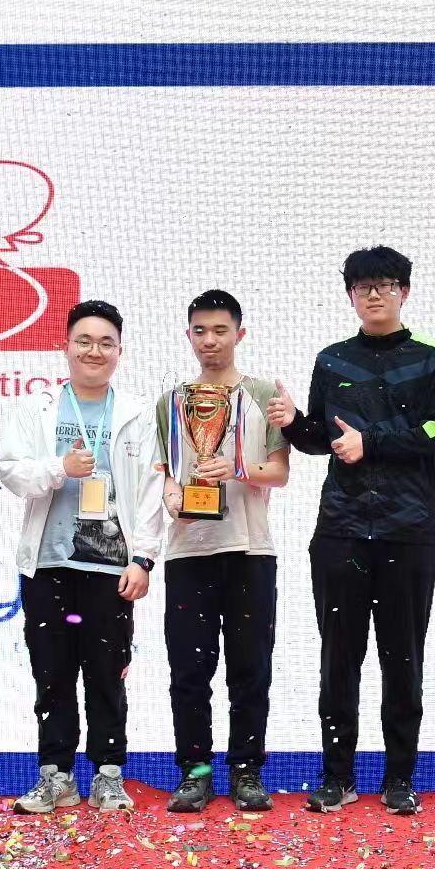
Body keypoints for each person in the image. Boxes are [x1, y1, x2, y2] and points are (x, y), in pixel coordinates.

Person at [269, 246, 435, 816]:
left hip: (408, 532)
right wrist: (294, 424)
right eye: (363, 286)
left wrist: (369, 441)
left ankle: (399, 778)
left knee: (403, 660)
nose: (374, 294)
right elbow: (321, 439)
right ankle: (337, 777)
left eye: (386, 284)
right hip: (341, 532)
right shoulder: (332, 361)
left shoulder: (431, 359)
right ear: (350, 295)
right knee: (339, 659)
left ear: (405, 291)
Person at [0, 300, 164, 815]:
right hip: (49, 565)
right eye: (84, 341)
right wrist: (59, 468)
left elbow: (151, 491)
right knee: (51, 675)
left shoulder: (136, 413)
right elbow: (11, 473)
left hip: (111, 570)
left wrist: (143, 559)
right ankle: (56, 776)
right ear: (65, 347)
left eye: (105, 343)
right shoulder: (38, 408)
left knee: (107, 673)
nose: (94, 351)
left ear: (119, 351)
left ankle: (109, 775)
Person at [156, 290, 291, 814]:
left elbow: (278, 472)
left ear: (240, 333)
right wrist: (173, 497)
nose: (209, 340)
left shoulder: (263, 394)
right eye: (199, 331)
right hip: (187, 551)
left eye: (219, 330)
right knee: (189, 671)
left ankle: (246, 771)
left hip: (250, 549)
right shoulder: (171, 401)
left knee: (250, 668)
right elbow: (164, 473)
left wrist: (236, 468)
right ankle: (194, 772)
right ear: (188, 335)